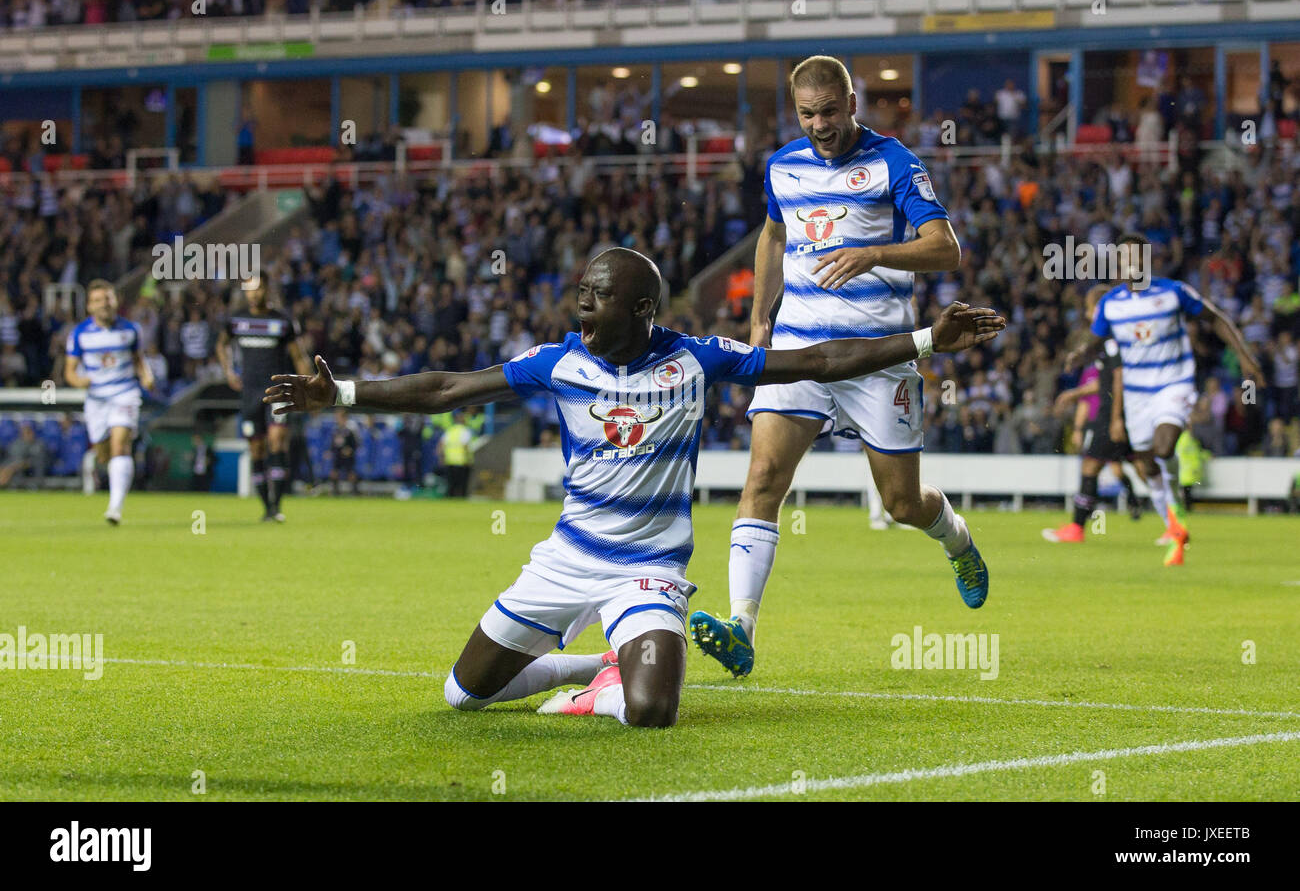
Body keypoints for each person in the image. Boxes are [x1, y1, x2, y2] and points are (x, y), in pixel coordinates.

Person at [263, 248, 1004, 727]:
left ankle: (627, 665)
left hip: (647, 572)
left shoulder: (699, 360)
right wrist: (346, 394)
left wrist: (926, 340)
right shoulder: (559, 362)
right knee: (464, 697)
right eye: (581, 293)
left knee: (652, 713)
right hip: (563, 561)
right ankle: (595, 665)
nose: (580, 306)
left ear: (642, 310)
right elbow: (448, 387)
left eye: (596, 296)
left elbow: (817, 360)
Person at [690, 55, 984, 681]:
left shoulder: (894, 162)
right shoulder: (783, 167)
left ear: (853, 104)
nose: (820, 124)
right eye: (807, 114)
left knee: (902, 504)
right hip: (800, 349)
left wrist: (873, 251)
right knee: (764, 478)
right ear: (795, 113)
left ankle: (957, 540)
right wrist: (760, 318)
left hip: (880, 357)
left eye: (830, 111)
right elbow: (773, 235)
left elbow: (946, 248)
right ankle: (741, 627)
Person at [1067, 233, 1264, 566]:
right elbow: (1096, 342)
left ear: (1147, 261)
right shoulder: (1112, 305)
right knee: (1145, 462)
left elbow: (1215, 318)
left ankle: (1176, 511)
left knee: (1163, 446)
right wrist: (1080, 354)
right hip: (1136, 395)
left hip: (1174, 383)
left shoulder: (1173, 292)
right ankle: (1176, 524)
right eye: (1125, 258)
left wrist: (1244, 357)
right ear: (1118, 264)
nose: (1131, 264)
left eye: (1137, 257)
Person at [1043, 286, 1142, 543]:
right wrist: (1073, 395)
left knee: (1092, 465)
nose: (1087, 315)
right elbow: (1107, 381)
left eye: (1089, 308)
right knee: (1144, 466)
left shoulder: (1109, 341)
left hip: (1111, 415)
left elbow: (1118, 378)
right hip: (1120, 413)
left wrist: (1117, 417)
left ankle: (1076, 528)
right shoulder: (1109, 341)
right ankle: (1173, 519)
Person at [216, 272, 310, 522]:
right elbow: (221, 344)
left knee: (277, 441)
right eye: (248, 289)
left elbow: (299, 356)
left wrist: (308, 388)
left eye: (257, 288)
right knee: (256, 448)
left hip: (277, 390)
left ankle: (277, 506)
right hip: (249, 393)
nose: (253, 294)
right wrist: (228, 371)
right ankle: (266, 506)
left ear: (268, 289)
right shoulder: (236, 320)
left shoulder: (282, 321)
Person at [63, 279, 154, 524]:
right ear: (90, 307)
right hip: (96, 400)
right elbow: (69, 371)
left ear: (116, 301)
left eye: (108, 298)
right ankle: (107, 476)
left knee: (120, 445)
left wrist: (146, 376)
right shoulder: (80, 334)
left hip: (125, 393)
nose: (104, 304)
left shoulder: (130, 329)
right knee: (104, 455)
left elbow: (138, 359)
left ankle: (115, 508)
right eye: (98, 300)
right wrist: (79, 381)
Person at [0, 422, 48, 489]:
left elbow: (35, 460)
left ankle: (3, 485)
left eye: (28, 432)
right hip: (16, 464)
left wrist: (15, 465)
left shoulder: (39, 444)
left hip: (30, 465)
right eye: (24, 433)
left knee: (11, 468)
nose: (27, 435)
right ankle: (3, 484)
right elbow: (13, 456)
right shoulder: (17, 443)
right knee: (5, 467)